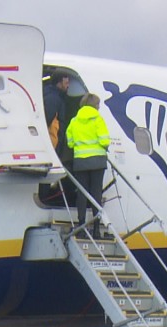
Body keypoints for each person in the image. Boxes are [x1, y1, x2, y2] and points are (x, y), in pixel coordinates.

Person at [65, 93, 110, 238]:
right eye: (98, 104)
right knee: (96, 193)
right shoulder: (98, 119)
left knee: (82, 193)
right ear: (94, 105)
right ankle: (96, 229)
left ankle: (81, 226)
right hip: (97, 161)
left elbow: (70, 142)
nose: (99, 107)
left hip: (80, 161)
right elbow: (104, 140)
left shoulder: (74, 121)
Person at [43, 71, 69, 151]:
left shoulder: (53, 95)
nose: (68, 86)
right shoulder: (53, 98)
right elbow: (48, 119)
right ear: (59, 83)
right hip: (52, 140)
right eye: (66, 83)